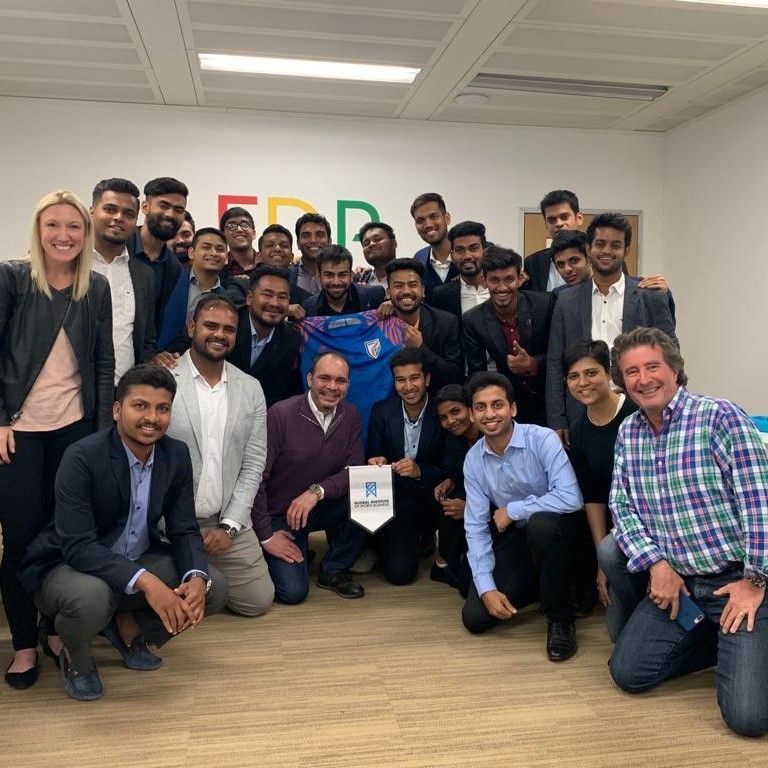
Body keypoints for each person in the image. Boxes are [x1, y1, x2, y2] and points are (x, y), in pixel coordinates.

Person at [598, 327, 768, 737]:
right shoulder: (629, 432)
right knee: (628, 673)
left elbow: (760, 504)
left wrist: (754, 580)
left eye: (653, 366)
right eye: (631, 371)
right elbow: (621, 505)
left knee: (747, 718)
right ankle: (720, 642)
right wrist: (656, 563)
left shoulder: (720, 417)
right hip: (683, 585)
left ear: (674, 368)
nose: (644, 379)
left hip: (737, 581)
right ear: (622, 382)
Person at [20, 365, 226, 701]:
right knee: (92, 599)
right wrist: (147, 582)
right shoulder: (83, 456)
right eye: (140, 406)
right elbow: (78, 547)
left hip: (135, 557)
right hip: (67, 566)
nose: (152, 417)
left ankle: (124, 621)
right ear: (117, 410)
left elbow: (184, 528)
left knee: (214, 590)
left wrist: (197, 576)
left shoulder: (175, 455)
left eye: (162, 409)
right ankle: (74, 653)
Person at [0, 189, 114, 690]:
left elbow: (104, 361)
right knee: (22, 543)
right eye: (54, 225)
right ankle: (23, 644)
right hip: (19, 433)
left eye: (74, 226)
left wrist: (103, 432)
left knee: (63, 539)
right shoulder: (11, 279)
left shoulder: (98, 287)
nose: (64, 235)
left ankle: (53, 631)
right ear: (38, 230)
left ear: (85, 234)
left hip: (75, 430)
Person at [461, 373, 583, 661]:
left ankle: (561, 619)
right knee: (475, 618)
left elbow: (571, 498)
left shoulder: (542, 439)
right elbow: (476, 526)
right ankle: (545, 585)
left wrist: (514, 510)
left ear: (513, 408)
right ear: (471, 415)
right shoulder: (473, 460)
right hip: (520, 537)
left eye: (497, 405)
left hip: (561, 530)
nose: (490, 414)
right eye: (481, 407)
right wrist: (487, 588)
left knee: (541, 524)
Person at [166, 295, 273, 617]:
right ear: (191, 327)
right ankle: (199, 574)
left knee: (258, 601)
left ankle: (202, 572)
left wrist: (228, 528)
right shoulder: (163, 380)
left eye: (228, 329)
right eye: (210, 326)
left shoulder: (250, 387)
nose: (219, 334)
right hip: (169, 523)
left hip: (225, 519)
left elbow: (254, 464)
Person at [546, 212, 677, 441]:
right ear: (588, 248)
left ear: (626, 250)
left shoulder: (650, 294)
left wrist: (673, 408)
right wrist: (557, 419)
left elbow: (671, 354)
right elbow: (555, 362)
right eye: (600, 244)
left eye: (615, 245)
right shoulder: (565, 301)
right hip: (583, 409)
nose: (607, 251)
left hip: (640, 404)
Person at [251, 352, 367, 603]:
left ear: (348, 384)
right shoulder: (280, 414)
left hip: (319, 505)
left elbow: (353, 471)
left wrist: (316, 491)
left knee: (371, 496)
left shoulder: (350, 415)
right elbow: (256, 477)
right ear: (309, 378)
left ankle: (333, 569)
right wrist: (265, 536)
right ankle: (265, 550)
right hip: (280, 515)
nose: (332, 387)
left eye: (340, 381)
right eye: (324, 378)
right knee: (293, 593)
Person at [366, 349, 463, 586]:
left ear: (427, 379)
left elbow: (450, 467)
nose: (408, 386)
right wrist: (375, 462)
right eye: (400, 380)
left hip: (433, 496)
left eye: (414, 378)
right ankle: (390, 541)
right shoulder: (381, 410)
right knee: (399, 575)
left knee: (457, 493)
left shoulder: (442, 413)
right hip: (398, 500)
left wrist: (420, 470)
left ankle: (437, 546)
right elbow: (373, 454)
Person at [563, 339, 637, 616]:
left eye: (591, 373)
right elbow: (592, 497)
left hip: (654, 521)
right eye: (573, 376)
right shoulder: (579, 430)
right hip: (615, 527)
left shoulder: (636, 410)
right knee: (617, 630)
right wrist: (601, 561)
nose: (583, 382)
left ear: (608, 373)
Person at [463, 245, 554, 425]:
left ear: (520, 278)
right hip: (506, 406)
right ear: (483, 279)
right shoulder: (473, 319)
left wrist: (532, 364)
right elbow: (477, 372)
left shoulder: (544, 303)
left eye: (509, 279)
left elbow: (559, 354)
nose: (502, 287)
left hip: (548, 400)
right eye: (494, 280)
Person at [90, 177, 157, 384]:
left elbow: (147, 338)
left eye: (128, 214)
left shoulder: (144, 274)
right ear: (92, 211)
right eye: (110, 209)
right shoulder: (69, 264)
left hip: (122, 394)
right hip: (72, 397)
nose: (119, 218)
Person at [228, 265, 303, 408]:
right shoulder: (229, 323)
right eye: (267, 295)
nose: (274, 303)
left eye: (282, 297)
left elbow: (281, 395)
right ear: (250, 298)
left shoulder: (291, 340)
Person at [384, 257, 463, 392]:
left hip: (435, 403)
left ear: (423, 290)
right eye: (398, 286)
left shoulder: (446, 323)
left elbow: (454, 375)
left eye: (413, 285)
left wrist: (421, 348)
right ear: (388, 292)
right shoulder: (380, 323)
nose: (406, 291)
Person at [431, 384, 480, 591]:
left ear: (470, 409)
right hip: (475, 505)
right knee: (448, 498)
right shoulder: (454, 439)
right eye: (443, 417)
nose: (450, 421)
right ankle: (445, 562)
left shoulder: (492, 433)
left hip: (502, 514)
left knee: (467, 587)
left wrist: (469, 508)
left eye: (455, 411)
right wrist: (449, 480)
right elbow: (461, 473)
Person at [155, 227, 230, 356]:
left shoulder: (226, 299)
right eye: (206, 247)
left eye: (220, 249)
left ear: (226, 258)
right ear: (191, 253)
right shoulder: (168, 282)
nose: (213, 253)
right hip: (161, 360)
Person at [127, 177, 188, 329]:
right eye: (164, 206)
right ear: (145, 207)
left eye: (178, 210)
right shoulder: (120, 247)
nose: (170, 214)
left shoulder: (174, 267)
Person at [523, 190, 584, 292]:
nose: (558, 224)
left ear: (579, 218)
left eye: (564, 217)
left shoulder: (596, 256)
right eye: (551, 220)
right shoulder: (533, 262)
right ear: (546, 224)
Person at [302, 245, 385, 316]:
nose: (336, 282)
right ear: (319, 276)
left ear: (351, 276)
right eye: (329, 275)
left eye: (342, 275)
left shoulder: (375, 296)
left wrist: (394, 306)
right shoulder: (308, 308)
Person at [431, 221, 489, 319]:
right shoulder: (442, 296)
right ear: (452, 256)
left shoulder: (500, 288)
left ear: (484, 252)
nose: (467, 256)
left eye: (473, 248)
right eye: (459, 250)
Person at [410, 193, 458, 300]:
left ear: (447, 218)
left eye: (433, 216)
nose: (428, 225)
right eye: (420, 221)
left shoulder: (477, 253)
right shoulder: (419, 259)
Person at [289, 213, 332, 295]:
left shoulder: (344, 277)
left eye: (319, 235)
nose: (313, 240)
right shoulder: (287, 275)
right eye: (306, 236)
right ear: (298, 243)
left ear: (329, 241)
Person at [221, 206, 260, 278]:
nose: (239, 230)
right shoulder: (219, 266)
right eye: (231, 226)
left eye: (244, 225)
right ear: (223, 235)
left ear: (254, 233)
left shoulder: (267, 262)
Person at [356, 221, 397, 289]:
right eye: (366, 243)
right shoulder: (359, 281)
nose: (371, 244)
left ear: (394, 243)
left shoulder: (411, 276)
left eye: (377, 239)